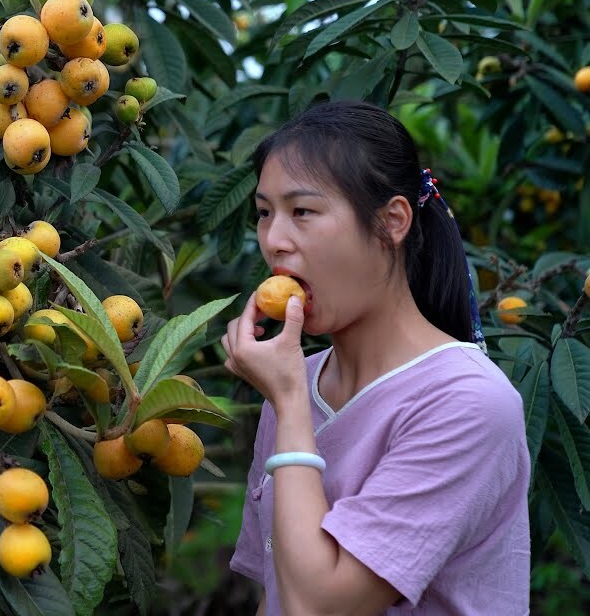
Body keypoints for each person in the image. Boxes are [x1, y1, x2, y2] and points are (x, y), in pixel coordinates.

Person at [223, 100, 530, 615]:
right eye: (263, 213)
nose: (274, 241)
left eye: (303, 211)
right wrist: (291, 395)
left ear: (392, 222)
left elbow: (320, 607)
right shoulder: (295, 382)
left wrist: (290, 400)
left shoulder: (470, 403)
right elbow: (275, 594)